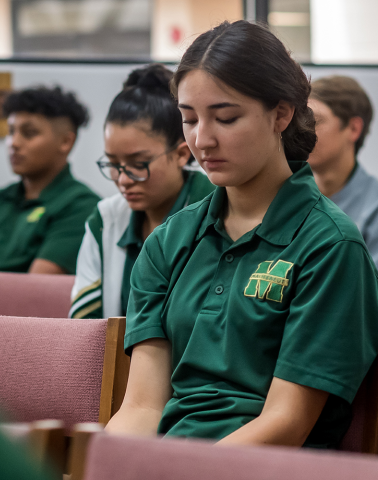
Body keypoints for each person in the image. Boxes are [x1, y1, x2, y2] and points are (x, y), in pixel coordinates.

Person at [106, 21, 378, 449]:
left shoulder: (329, 246)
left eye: (226, 117)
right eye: (189, 118)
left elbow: (286, 422)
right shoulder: (169, 240)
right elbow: (141, 407)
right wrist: (111, 465)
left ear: (281, 114)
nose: (202, 140)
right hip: (166, 461)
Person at [69, 64, 215, 319]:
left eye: (139, 165)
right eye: (113, 164)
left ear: (181, 154)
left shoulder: (218, 210)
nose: (123, 180)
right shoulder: (106, 220)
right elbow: (84, 328)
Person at [0, 86, 100, 274]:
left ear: (65, 142)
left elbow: (35, 289)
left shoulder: (82, 207)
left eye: (29, 133)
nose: (13, 142)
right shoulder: (3, 198)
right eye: (11, 131)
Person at [308, 75, 378, 267]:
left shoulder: (373, 209)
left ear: (353, 128)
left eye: (316, 121)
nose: (303, 131)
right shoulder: (284, 198)